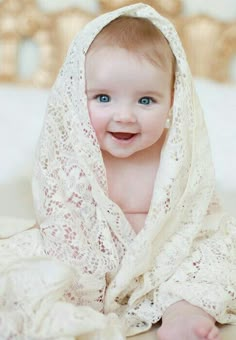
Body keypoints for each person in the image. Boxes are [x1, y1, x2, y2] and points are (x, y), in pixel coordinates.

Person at [0, 3, 235, 340]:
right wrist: (87, 282)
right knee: (40, 277)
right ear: (77, 97)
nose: (124, 115)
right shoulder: (75, 151)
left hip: (162, 261)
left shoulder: (177, 153)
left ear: (173, 100)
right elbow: (62, 217)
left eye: (145, 101)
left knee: (212, 260)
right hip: (89, 261)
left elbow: (196, 216)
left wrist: (185, 256)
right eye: (104, 97)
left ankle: (183, 314)